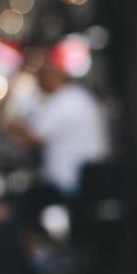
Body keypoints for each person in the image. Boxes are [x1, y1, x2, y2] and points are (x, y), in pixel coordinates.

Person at [16, 57, 109, 202]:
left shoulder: (63, 101)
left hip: (69, 182)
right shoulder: (80, 96)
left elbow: (33, 136)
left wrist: (13, 124)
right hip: (90, 179)